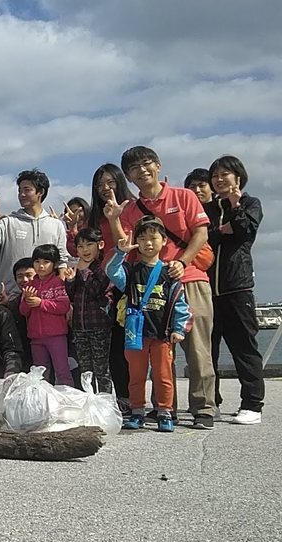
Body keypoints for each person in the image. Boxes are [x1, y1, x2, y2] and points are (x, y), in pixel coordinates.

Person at [105, 146, 215, 429]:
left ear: (158, 165)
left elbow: (201, 232)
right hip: (149, 286)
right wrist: (115, 219)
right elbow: (126, 245)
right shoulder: (130, 209)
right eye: (134, 168)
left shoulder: (184, 196)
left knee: (197, 347)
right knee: (160, 351)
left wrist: (182, 261)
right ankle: (166, 409)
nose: (142, 170)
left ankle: (203, 407)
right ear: (128, 177)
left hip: (189, 278)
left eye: (147, 163)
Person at [107, 218, 191, 433]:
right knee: (136, 376)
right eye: (142, 239)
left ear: (164, 241)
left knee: (163, 376)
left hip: (162, 334)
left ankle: (165, 412)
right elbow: (111, 272)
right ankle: (137, 412)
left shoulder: (170, 273)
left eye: (153, 238)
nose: (148, 243)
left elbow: (180, 303)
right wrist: (119, 251)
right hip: (135, 334)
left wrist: (179, 329)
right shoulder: (131, 271)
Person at [204, 156, 265, 425]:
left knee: (245, 348)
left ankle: (252, 404)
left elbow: (243, 230)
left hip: (237, 287)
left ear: (238, 177)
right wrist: (220, 230)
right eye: (215, 175)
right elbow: (204, 237)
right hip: (207, 289)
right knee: (208, 350)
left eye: (225, 174)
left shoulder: (251, 203)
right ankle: (211, 402)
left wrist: (235, 206)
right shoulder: (206, 209)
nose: (219, 179)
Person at [89, 164, 136, 413]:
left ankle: (146, 401)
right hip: (103, 285)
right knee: (113, 346)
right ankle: (123, 399)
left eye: (110, 182)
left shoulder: (132, 207)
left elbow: (126, 245)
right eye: (99, 184)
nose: (105, 188)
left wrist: (115, 218)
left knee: (135, 343)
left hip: (127, 281)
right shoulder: (94, 215)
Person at [0, 169, 69, 295]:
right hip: (10, 296)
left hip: (44, 298)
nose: (22, 194)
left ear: (41, 192)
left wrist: (60, 293)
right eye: (20, 191)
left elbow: (61, 262)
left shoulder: (56, 225)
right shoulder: (9, 221)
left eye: (27, 190)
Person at [64, 228, 113, 393]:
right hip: (79, 326)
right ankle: (88, 402)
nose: (85, 250)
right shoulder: (76, 269)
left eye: (89, 244)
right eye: (80, 246)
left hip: (99, 325)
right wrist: (70, 281)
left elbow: (96, 291)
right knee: (85, 369)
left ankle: (106, 403)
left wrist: (84, 272)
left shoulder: (102, 268)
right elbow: (71, 295)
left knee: (101, 369)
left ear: (100, 245)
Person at [19, 244, 73, 386]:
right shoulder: (29, 285)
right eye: (37, 262)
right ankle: (42, 403)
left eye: (46, 262)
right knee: (40, 374)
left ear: (54, 264)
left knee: (62, 370)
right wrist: (27, 300)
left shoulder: (58, 283)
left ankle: (66, 402)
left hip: (56, 336)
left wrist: (40, 303)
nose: (41, 266)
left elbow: (63, 306)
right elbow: (23, 311)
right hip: (36, 337)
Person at [0, 257, 37, 370]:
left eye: (29, 275)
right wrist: (6, 304)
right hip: (25, 351)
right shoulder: (17, 300)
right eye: (20, 276)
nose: (24, 279)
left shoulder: (48, 296)